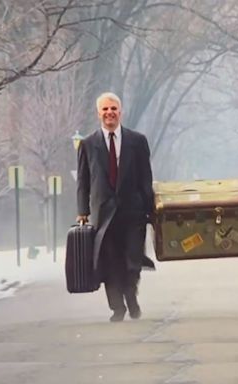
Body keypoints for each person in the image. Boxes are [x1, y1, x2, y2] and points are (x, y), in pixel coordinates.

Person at [76, 92, 155, 322]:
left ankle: (131, 295)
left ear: (120, 112)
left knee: (132, 261)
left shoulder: (137, 141)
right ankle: (117, 307)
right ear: (98, 113)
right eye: (105, 109)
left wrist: (150, 208)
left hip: (133, 213)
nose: (109, 113)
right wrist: (83, 210)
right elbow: (83, 180)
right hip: (103, 214)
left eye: (113, 109)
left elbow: (145, 177)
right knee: (110, 264)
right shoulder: (88, 144)